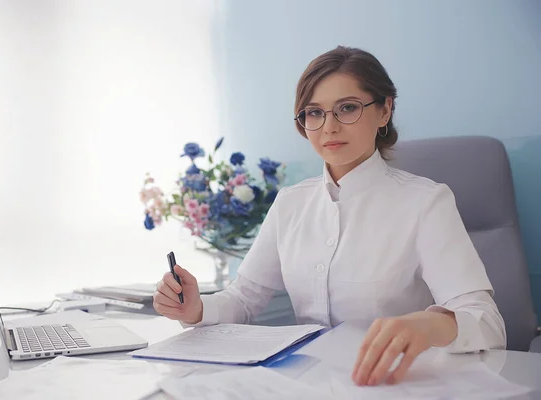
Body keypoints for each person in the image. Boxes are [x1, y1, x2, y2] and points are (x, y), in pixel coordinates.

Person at [153, 46, 506, 386]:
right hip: (303, 385)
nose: (329, 127)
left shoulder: (426, 202)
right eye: (314, 112)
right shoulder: (291, 203)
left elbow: (487, 322)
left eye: (347, 108)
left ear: (384, 111)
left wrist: (430, 326)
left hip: (392, 384)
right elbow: (245, 298)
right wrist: (196, 309)